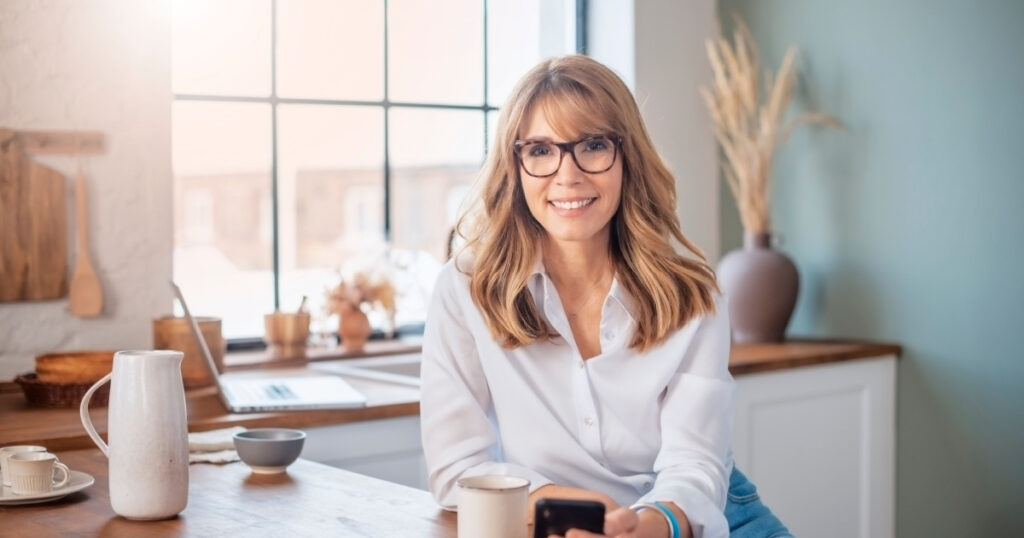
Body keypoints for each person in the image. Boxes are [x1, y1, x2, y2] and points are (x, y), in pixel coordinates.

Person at [420, 55, 789, 538]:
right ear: (515, 166)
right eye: (539, 150)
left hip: (695, 515)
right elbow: (457, 466)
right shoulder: (465, 288)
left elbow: (696, 468)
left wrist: (644, 526)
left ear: (627, 156)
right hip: (551, 519)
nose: (567, 175)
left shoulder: (692, 296)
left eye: (593, 146)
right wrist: (575, 509)